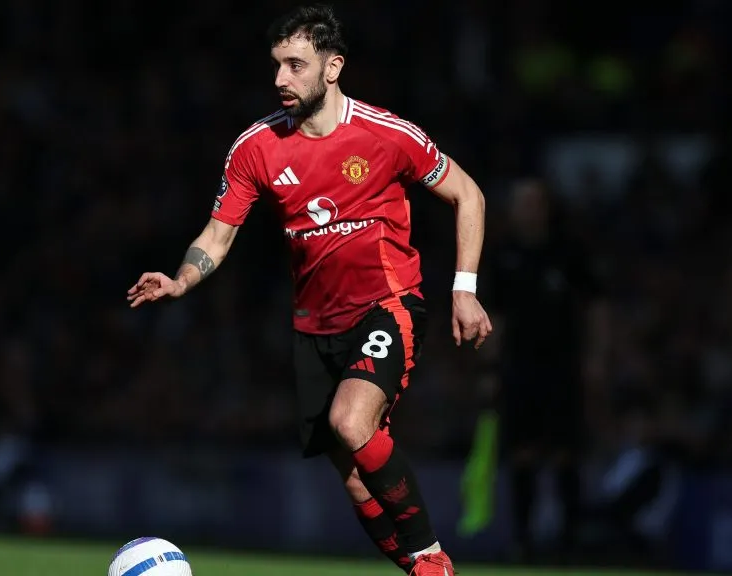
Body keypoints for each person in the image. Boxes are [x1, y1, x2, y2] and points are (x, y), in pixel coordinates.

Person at [126, 5, 492, 575]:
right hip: (314, 327)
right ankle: (417, 570)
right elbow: (219, 235)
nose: (281, 80)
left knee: (352, 422)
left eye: (296, 65)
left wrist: (463, 289)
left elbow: (468, 194)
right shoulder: (257, 147)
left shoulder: (387, 135)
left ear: (332, 66)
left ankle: (431, 559)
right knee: (351, 475)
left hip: (386, 304)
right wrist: (181, 279)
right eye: (276, 65)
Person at [483, 178, 607, 561]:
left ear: (547, 207)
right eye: (521, 203)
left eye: (535, 202)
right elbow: (494, 318)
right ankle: (523, 541)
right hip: (518, 367)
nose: (528, 210)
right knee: (522, 453)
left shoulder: (569, 252)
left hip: (563, 366)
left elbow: (597, 307)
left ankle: (570, 541)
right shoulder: (503, 256)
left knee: (565, 453)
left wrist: (596, 356)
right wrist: (488, 368)